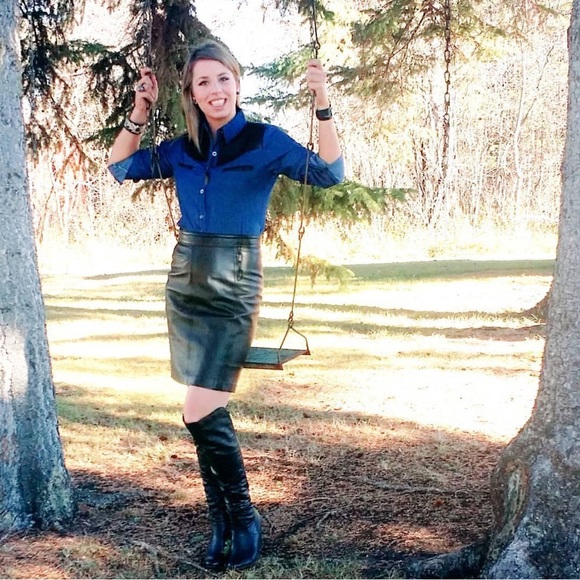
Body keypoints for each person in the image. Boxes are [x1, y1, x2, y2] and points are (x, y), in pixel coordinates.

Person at [107, 39, 344, 571]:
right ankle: (222, 522)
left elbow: (331, 172)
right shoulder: (182, 149)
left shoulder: (264, 141)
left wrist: (322, 102)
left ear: (237, 82)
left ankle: (244, 517)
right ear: (192, 94)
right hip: (185, 281)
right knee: (201, 408)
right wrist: (140, 110)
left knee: (198, 408)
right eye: (204, 82)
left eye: (223, 79)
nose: (215, 90)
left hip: (236, 281)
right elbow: (119, 167)